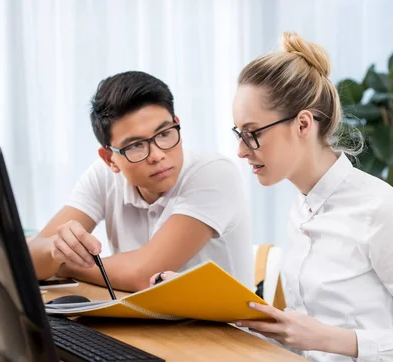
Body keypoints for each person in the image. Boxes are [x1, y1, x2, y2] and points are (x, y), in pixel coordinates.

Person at [152, 33, 393, 362]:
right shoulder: (301, 208)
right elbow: (300, 338)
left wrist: (327, 338)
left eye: (252, 134)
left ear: (302, 125)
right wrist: (208, 302)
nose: (240, 150)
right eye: (239, 133)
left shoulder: (383, 213)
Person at [29, 71, 254, 293]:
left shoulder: (213, 173)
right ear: (110, 159)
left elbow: (144, 275)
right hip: (143, 323)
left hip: (221, 327)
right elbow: (27, 261)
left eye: (164, 133)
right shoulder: (104, 175)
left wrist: (66, 265)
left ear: (177, 125)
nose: (156, 155)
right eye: (135, 145)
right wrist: (54, 248)